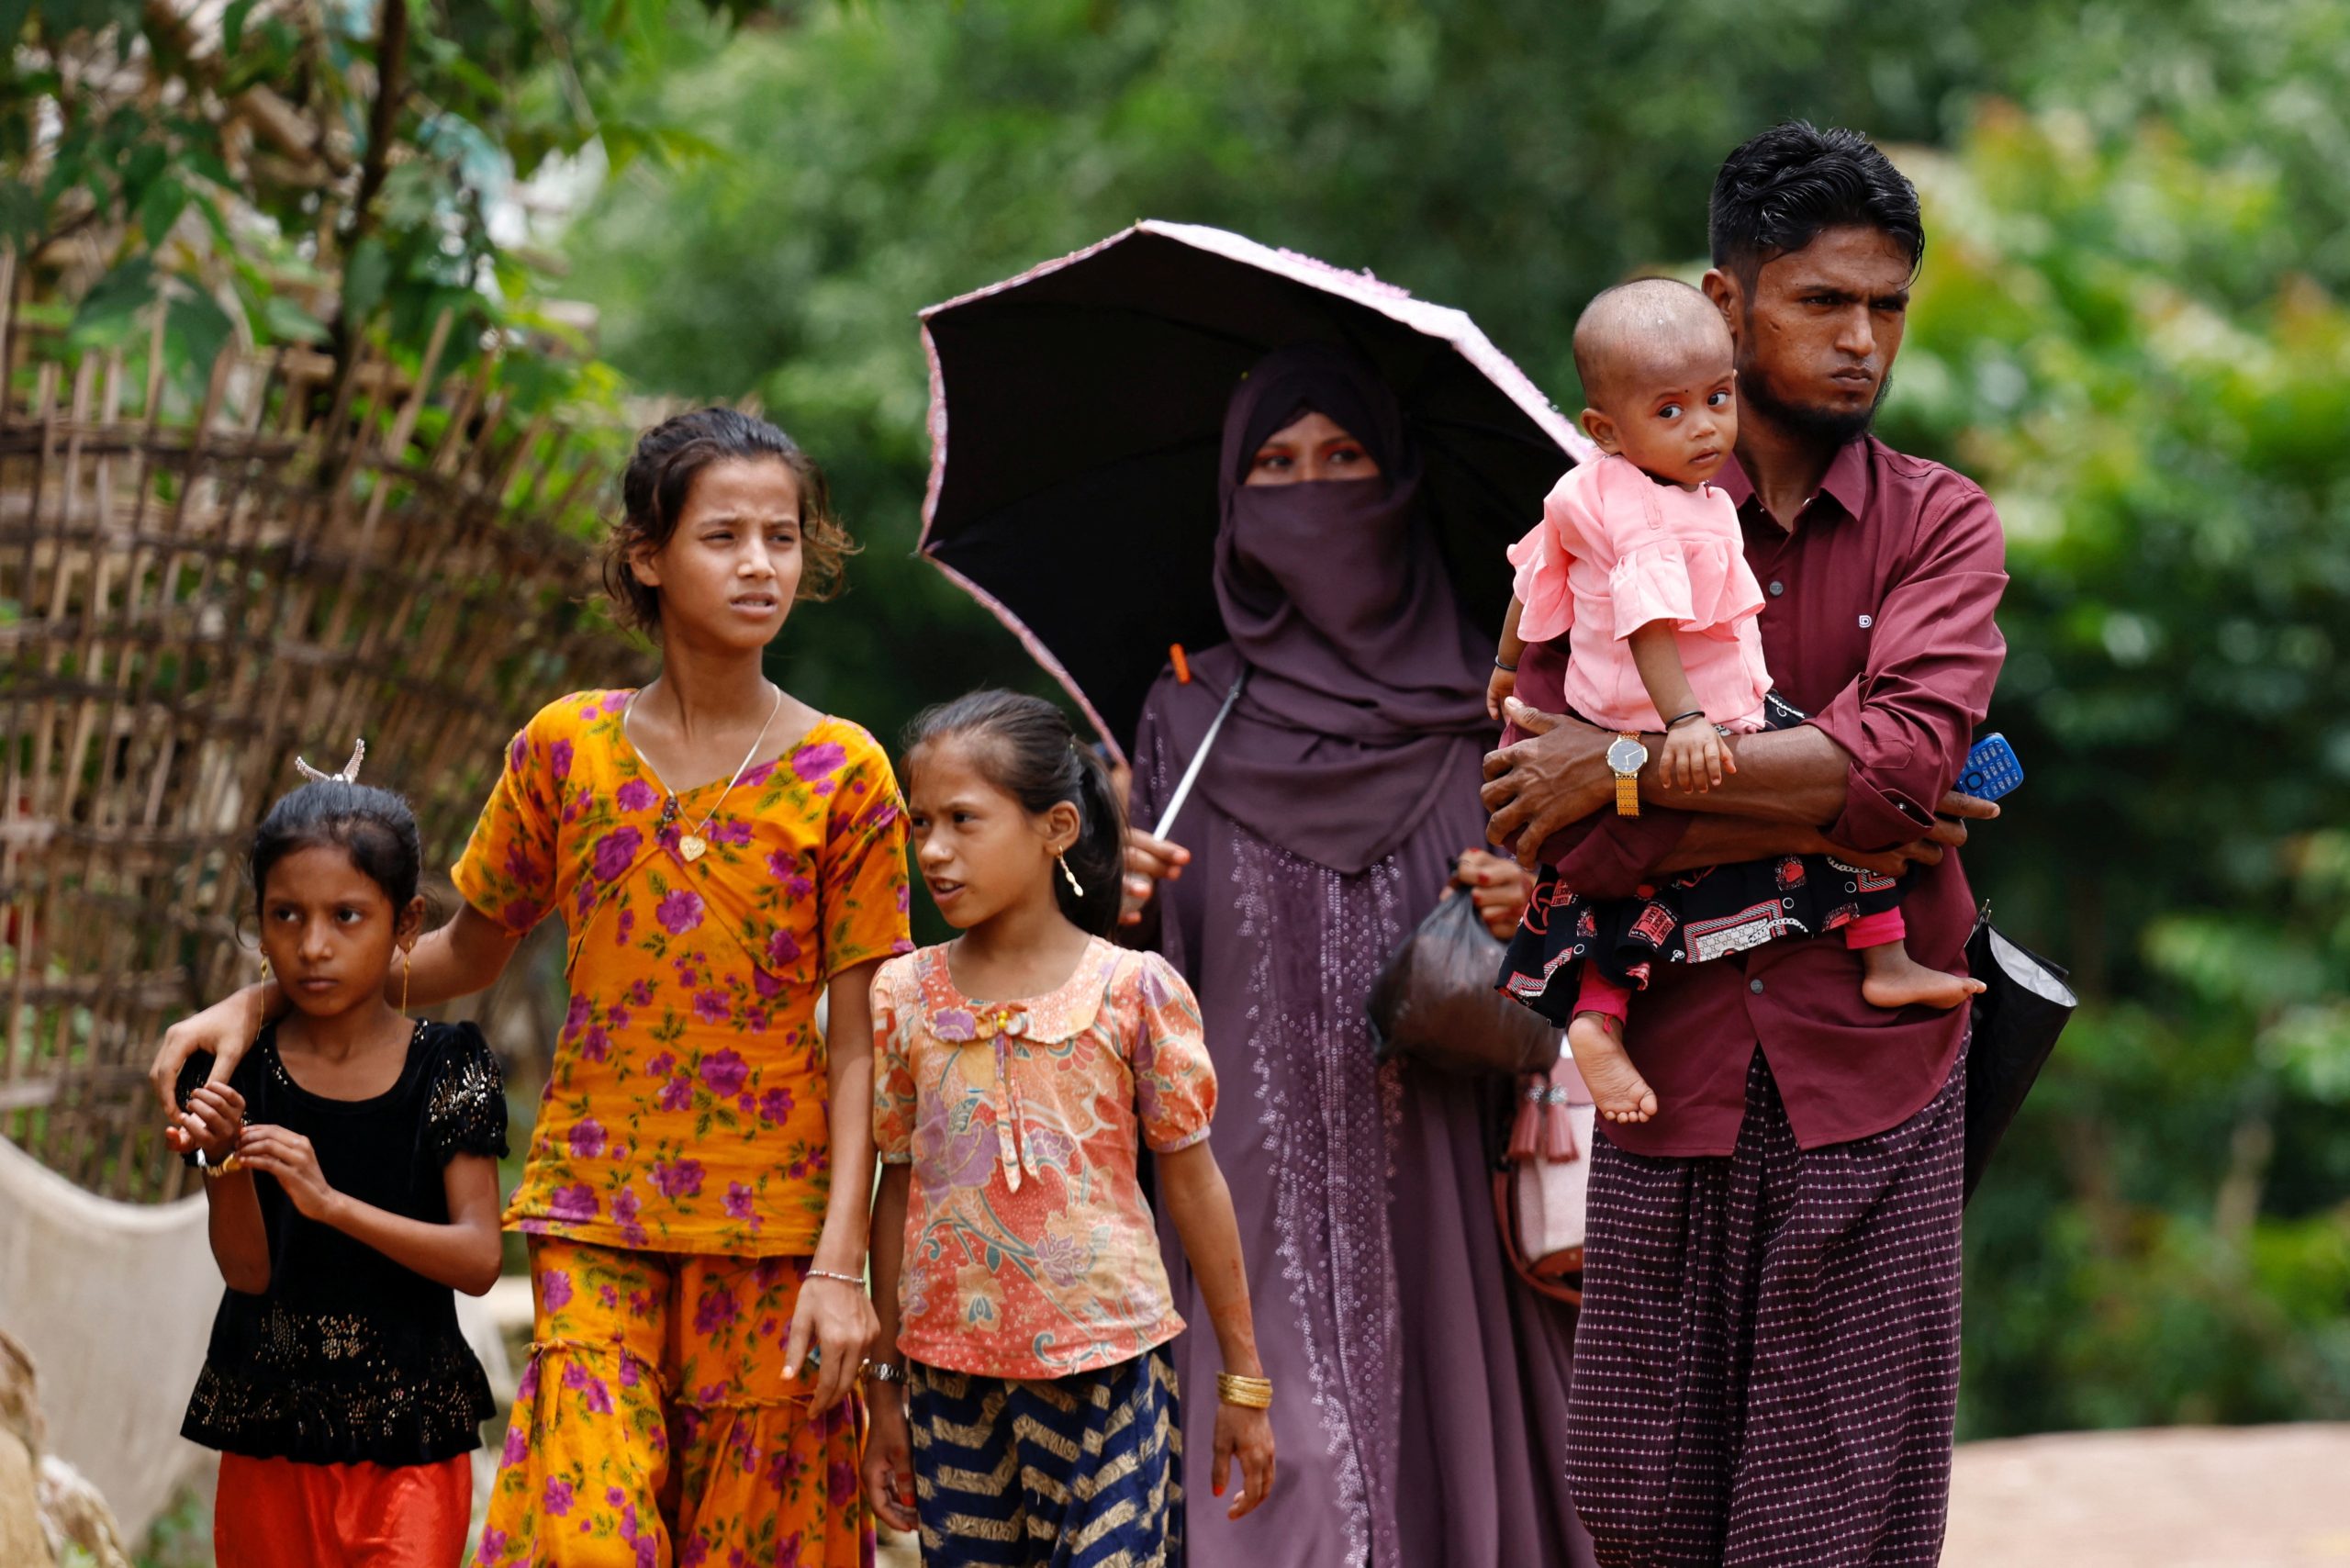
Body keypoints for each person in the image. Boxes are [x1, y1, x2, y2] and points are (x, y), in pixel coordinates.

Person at [151, 407, 912, 1567]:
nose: (760, 564)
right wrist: (258, 1001)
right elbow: (462, 954)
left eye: (783, 536)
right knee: (586, 1539)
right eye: (723, 536)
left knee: (756, 1545)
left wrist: (841, 1266)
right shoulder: (568, 748)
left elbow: (861, 1045)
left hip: (774, 1226)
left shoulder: (845, 772)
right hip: (593, 1211)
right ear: (647, 555)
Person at [1481, 123, 2008, 1567]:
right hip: (1666, 1074)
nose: (1861, 341)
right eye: (1822, 301)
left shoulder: (1938, 523)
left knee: (1826, 1532)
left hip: (1876, 1080)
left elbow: (1908, 765)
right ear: (1726, 300)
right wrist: (1833, 787)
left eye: (1886, 306)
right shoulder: (1591, 526)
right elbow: (1535, 809)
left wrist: (1622, 769)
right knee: (1635, 1507)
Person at [1120, 343, 1594, 1568]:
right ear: (1232, 502)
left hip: (1448, 1175)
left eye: (1344, 458)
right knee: (1278, 1488)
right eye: (1275, 466)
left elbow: (1598, 939)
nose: (1312, 490)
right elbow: (1132, 985)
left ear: (1402, 482)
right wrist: (1108, 906)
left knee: (1446, 1469)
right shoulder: (1185, 714)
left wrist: (1533, 907)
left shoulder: (1499, 715)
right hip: (1239, 1187)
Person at [1489, 277, 1979, 1126]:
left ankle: (1603, 1014)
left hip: (1624, 722)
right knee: (1857, 817)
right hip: (1688, 718)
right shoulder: (1648, 513)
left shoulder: (1598, 491)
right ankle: (1881, 959)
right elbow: (1641, 639)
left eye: (1716, 400)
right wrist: (1688, 737)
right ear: (1605, 428)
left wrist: (1533, 695)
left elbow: (1529, 576)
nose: (1704, 427)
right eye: (1670, 411)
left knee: (1636, 880)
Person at [861, 689, 1276, 1566]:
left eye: (963, 820)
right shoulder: (903, 995)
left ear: (1055, 828)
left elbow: (1195, 1184)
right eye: (920, 822)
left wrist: (1244, 1379)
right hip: (949, 1385)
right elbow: (897, 1185)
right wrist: (886, 1391)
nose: (932, 849)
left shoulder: (1134, 991)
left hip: (1111, 1377)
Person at [170, 766, 507, 1568]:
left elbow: (479, 1259)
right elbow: (248, 1274)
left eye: (346, 916)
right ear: (259, 925)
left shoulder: (448, 1066)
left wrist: (332, 1204)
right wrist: (222, 1160)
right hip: (270, 1431)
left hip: (410, 1440)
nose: (313, 945)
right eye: (285, 915)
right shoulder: (235, 1072)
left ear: (406, 923)